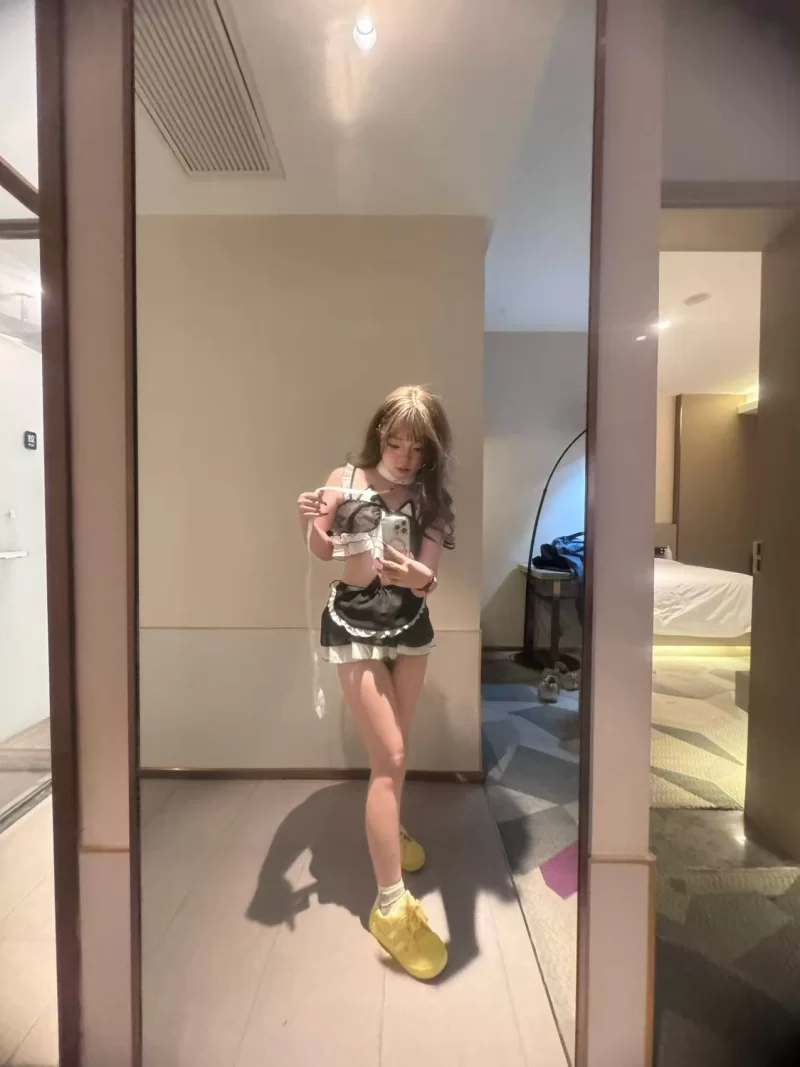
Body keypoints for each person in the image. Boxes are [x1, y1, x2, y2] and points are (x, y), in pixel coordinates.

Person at [296, 385, 455, 981]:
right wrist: (312, 521)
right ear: (379, 437)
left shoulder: (432, 499)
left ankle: (392, 826)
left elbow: (428, 579)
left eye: (417, 448)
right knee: (389, 755)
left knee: (396, 753)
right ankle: (390, 907)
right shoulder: (344, 479)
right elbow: (323, 550)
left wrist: (419, 577)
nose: (405, 457)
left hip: (410, 625)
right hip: (353, 623)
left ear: (431, 450)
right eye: (396, 444)